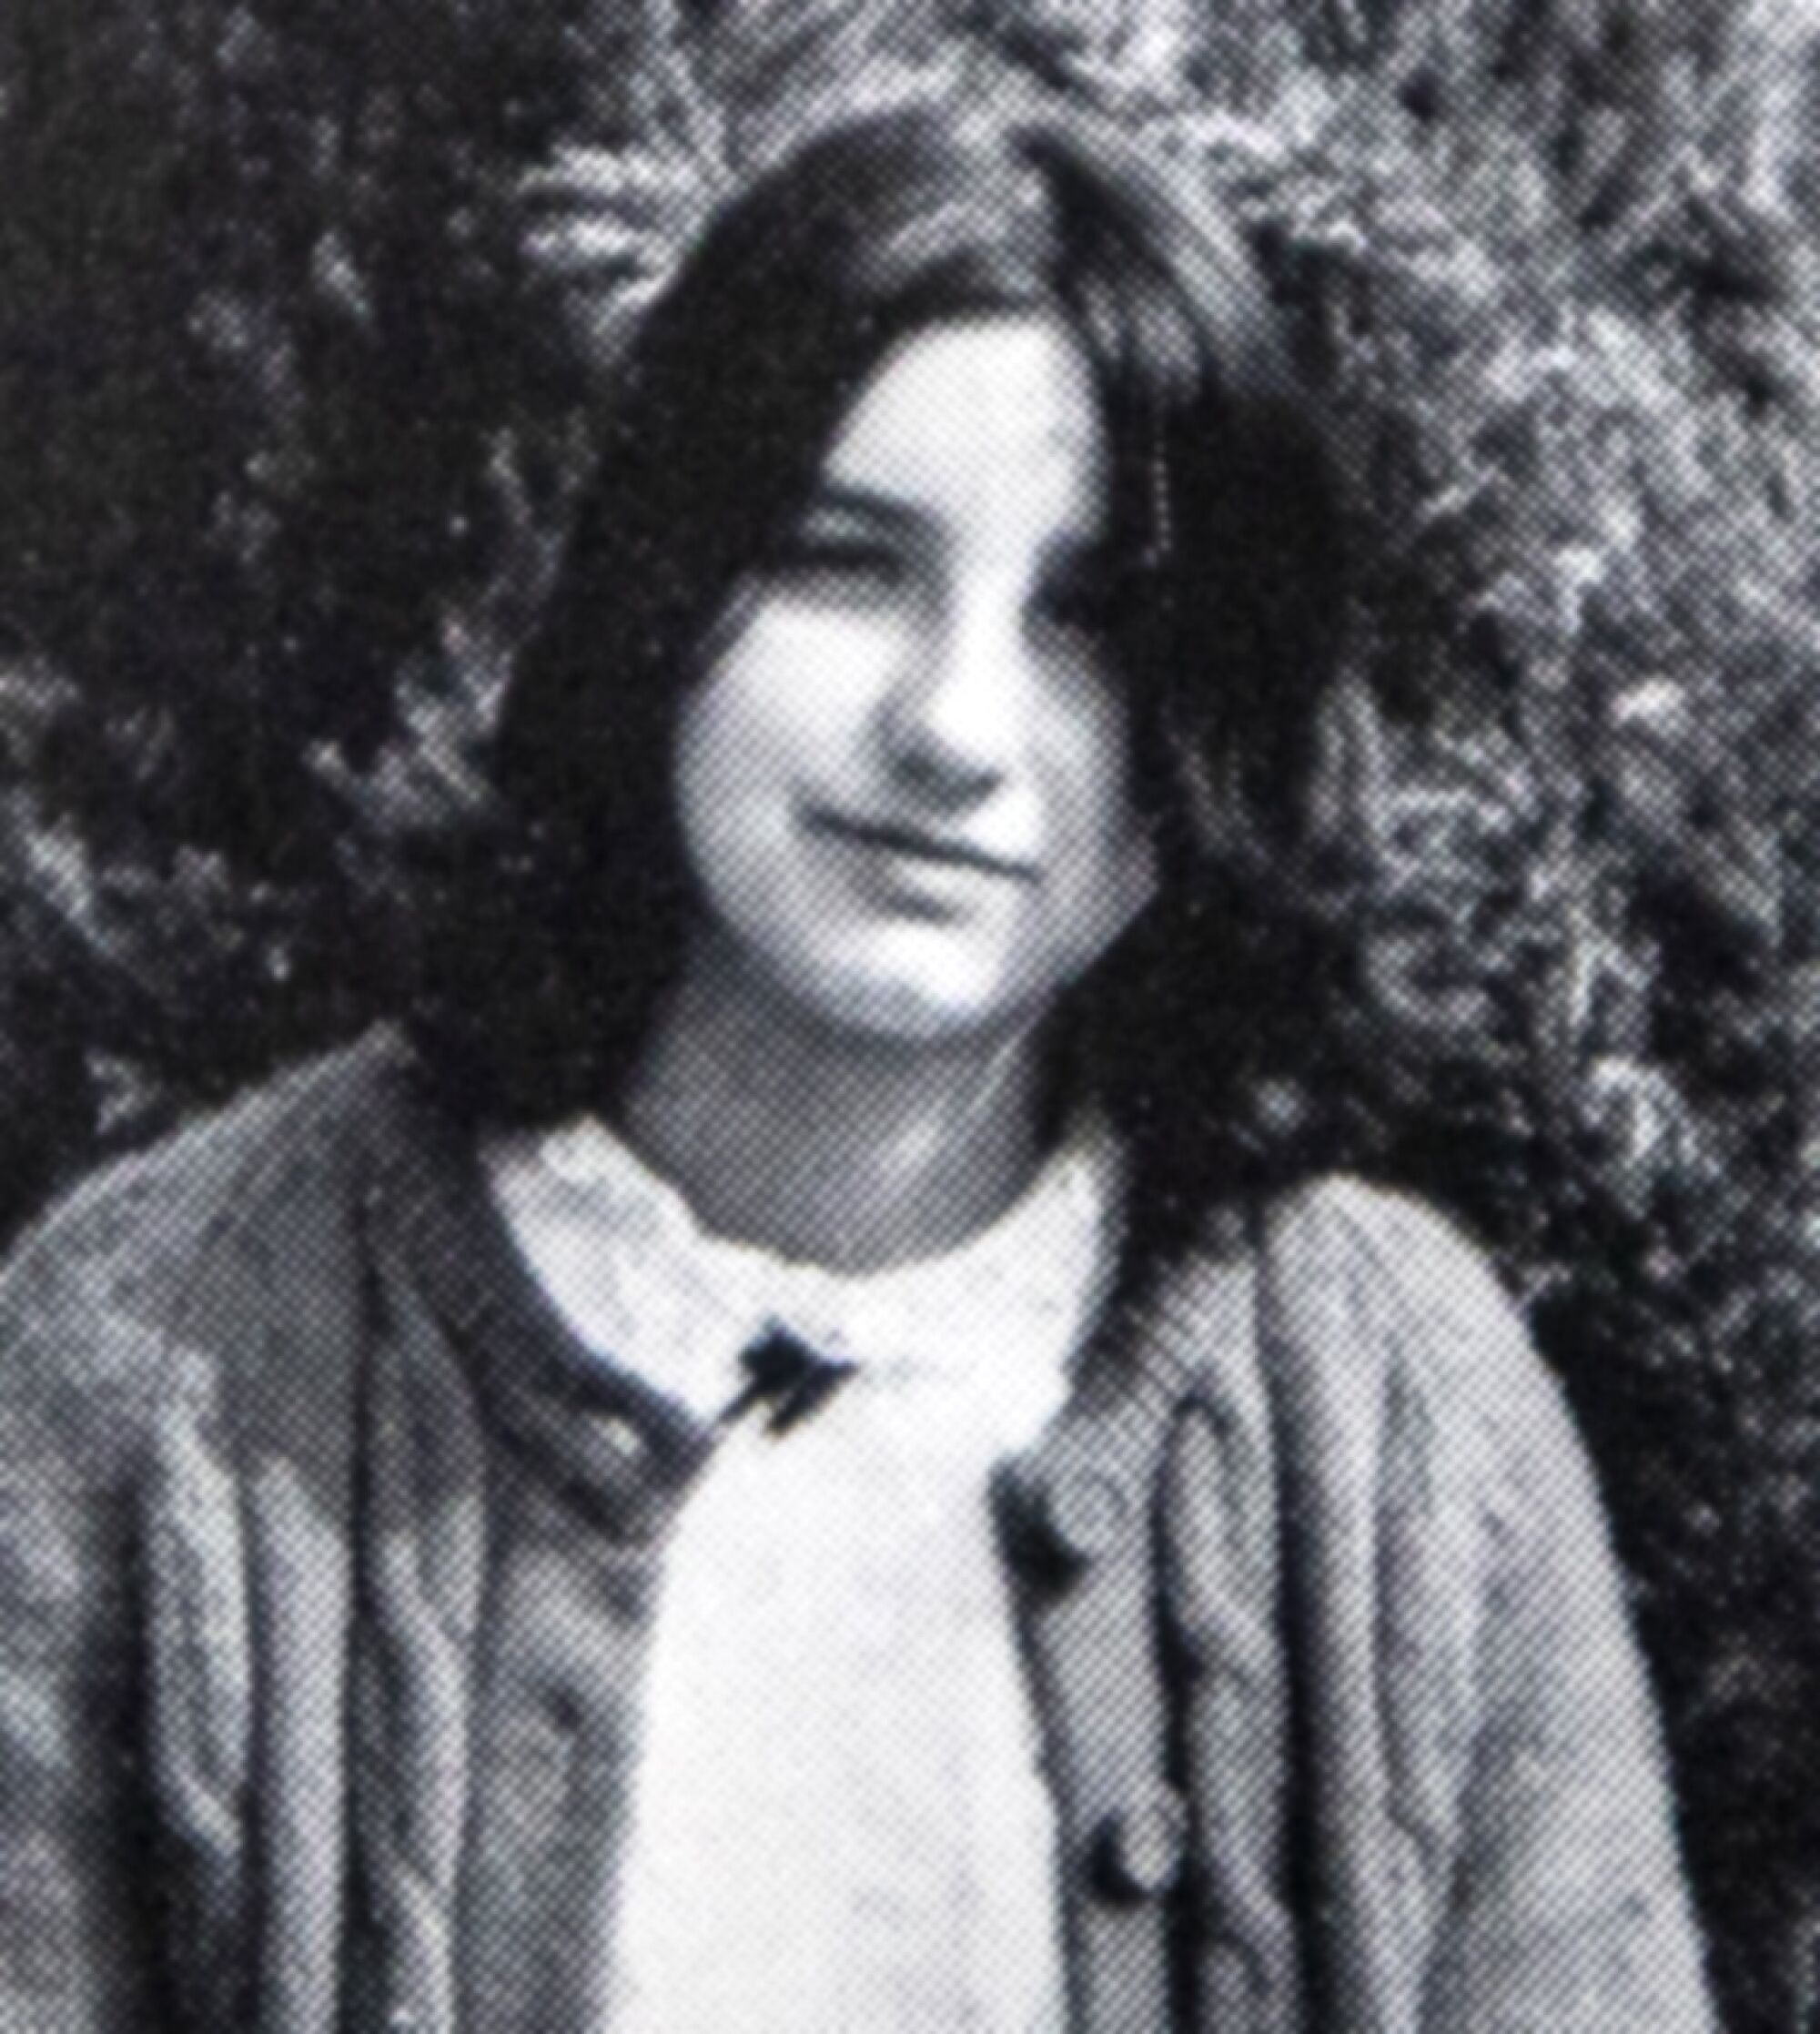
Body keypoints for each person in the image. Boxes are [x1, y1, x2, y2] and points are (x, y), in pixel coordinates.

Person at [0, 95, 1712, 2032]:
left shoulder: (1404, 1409)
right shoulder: (151, 1363)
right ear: (660, 592)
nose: (955, 723)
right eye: (841, 560)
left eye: (1090, 619)